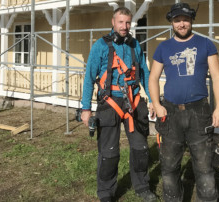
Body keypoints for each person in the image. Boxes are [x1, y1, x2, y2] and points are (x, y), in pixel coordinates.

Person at [149, 2, 219, 202]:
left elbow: (217, 77)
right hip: (170, 113)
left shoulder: (206, 44)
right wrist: (157, 105)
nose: (181, 24)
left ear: (191, 20)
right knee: (169, 167)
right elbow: (153, 78)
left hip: (199, 112)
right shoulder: (163, 47)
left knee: (204, 167)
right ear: (172, 22)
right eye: (177, 20)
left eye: (185, 19)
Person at [81, 7, 157, 202]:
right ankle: (106, 193)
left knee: (141, 149)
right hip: (110, 102)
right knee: (109, 152)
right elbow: (89, 77)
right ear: (113, 22)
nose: (125, 26)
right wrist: (86, 108)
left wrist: (152, 100)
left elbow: (145, 74)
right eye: (121, 22)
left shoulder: (135, 45)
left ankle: (141, 186)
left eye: (128, 22)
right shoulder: (100, 45)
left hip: (134, 100)